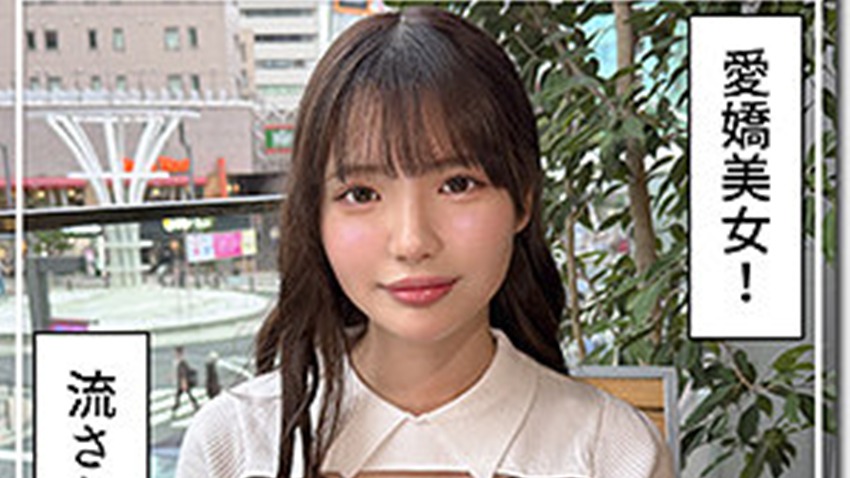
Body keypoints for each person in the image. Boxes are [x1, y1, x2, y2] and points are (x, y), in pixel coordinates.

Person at [177, 6, 674, 478]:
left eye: (457, 184)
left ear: (522, 200)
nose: (412, 242)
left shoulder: (612, 452)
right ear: (315, 215)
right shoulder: (235, 444)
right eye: (362, 194)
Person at [172, 346, 199, 415]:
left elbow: (183, 373)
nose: (175, 354)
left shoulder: (181, 362)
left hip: (183, 383)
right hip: (183, 382)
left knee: (179, 395)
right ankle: (195, 405)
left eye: (176, 353)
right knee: (187, 394)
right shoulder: (180, 361)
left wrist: (184, 383)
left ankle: (177, 406)